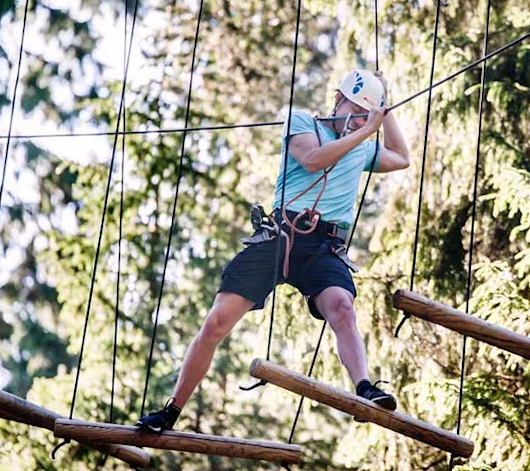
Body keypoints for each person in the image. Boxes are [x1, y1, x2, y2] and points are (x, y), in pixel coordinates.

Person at [136, 69, 410, 432]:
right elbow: (313, 159)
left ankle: (363, 388)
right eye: (354, 110)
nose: (357, 120)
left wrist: (384, 111)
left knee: (343, 308)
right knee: (217, 322)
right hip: (280, 236)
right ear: (337, 100)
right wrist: (365, 131)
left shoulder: (362, 147)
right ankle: (171, 410)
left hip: (323, 246)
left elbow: (402, 157)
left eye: (364, 114)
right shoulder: (302, 122)